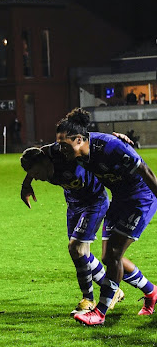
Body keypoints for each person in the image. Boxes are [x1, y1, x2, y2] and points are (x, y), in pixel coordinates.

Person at [20, 143, 156, 315]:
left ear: (46, 162)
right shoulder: (44, 164)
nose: (37, 178)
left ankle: (89, 300)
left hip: (95, 202)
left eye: (37, 173)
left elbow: (83, 144)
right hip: (74, 205)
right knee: (82, 253)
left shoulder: (62, 153)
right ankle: (140, 290)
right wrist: (26, 184)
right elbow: (37, 156)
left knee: (79, 249)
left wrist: (121, 143)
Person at [55, 108, 157, 325]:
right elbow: (44, 153)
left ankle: (99, 312)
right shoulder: (75, 151)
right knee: (108, 258)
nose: (60, 149)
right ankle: (152, 292)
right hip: (119, 198)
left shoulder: (111, 147)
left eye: (64, 145)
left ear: (80, 140)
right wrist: (27, 183)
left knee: (115, 253)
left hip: (140, 199)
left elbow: (145, 171)